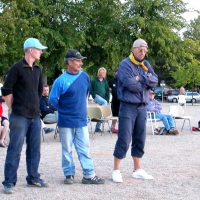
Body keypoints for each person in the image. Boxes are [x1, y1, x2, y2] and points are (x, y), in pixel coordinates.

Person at [49, 49, 105, 185]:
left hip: (81, 120)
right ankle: (69, 174)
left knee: (84, 148)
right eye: (78, 60)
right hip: (66, 120)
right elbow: (53, 99)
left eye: (81, 60)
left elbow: (85, 94)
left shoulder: (85, 77)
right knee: (67, 148)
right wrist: (65, 109)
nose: (81, 63)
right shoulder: (60, 81)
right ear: (69, 62)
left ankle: (89, 175)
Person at [1, 38, 49, 194]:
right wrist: (11, 107)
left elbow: (39, 91)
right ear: (30, 50)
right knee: (15, 149)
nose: (41, 51)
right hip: (20, 115)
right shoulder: (16, 68)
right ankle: (9, 182)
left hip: (35, 116)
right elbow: (6, 90)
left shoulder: (38, 69)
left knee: (35, 149)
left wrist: (37, 108)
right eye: (39, 49)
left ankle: (33, 178)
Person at [112, 38, 158, 183]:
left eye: (145, 50)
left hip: (142, 107)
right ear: (133, 49)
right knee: (124, 138)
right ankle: (116, 170)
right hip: (128, 107)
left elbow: (155, 80)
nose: (142, 53)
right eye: (140, 50)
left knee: (140, 139)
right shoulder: (125, 64)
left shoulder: (145, 64)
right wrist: (145, 82)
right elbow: (130, 84)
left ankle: (137, 169)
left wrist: (140, 79)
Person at [89, 67, 110, 132]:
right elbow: (90, 89)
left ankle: (97, 127)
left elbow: (107, 91)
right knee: (104, 103)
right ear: (99, 73)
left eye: (104, 72)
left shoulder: (105, 81)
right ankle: (101, 114)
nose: (104, 74)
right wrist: (94, 94)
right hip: (97, 97)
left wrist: (107, 100)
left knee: (100, 113)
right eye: (102, 72)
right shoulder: (94, 80)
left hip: (103, 99)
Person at [108, 68, 120, 134]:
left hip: (122, 101)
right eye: (116, 72)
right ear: (114, 73)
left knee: (122, 115)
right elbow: (106, 87)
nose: (117, 73)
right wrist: (110, 91)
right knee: (115, 115)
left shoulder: (123, 80)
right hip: (114, 101)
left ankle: (122, 128)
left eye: (118, 72)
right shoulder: (111, 81)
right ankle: (113, 128)